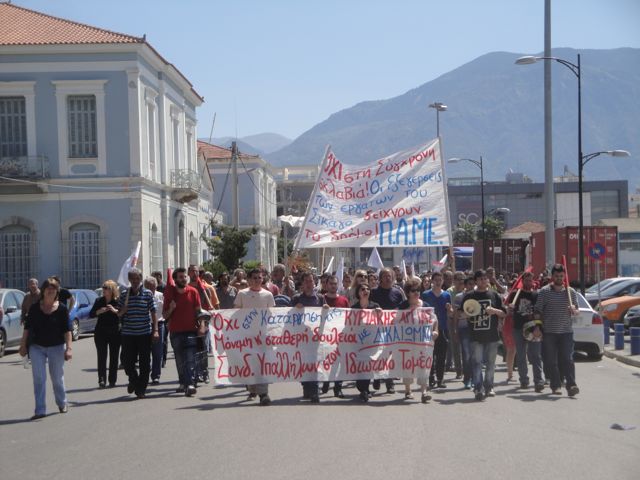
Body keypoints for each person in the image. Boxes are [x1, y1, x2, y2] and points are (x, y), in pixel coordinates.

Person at [18, 277, 72, 420]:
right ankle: (40, 410)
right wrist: (23, 345)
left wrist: (69, 348)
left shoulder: (62, 309)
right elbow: (27, 328)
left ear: (57, 292)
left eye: (53, 288)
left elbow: (67, 330)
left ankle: (62, 403)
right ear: (43, 291)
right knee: (39, 378)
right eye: (48, 288)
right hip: (37, 347)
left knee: (57, 378)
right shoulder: (35, 308)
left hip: (56, 347)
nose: (50, 290)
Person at [534, 263, 580, 397]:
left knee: (567, 359)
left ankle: (571, 385)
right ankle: (556, 385)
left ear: (564, 276)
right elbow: (537, 311)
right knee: (551, 360)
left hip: (566, 332)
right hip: (549, 332)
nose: (559, 278)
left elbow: (577, 311)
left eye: (561, 276)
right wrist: (537, 327)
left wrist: (574, 310)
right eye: (556, 276)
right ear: (552, 276)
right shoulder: (544, 291)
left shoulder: (570, 292)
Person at [461, 270, 506, 401]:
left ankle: (489, 386)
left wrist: (494, 311)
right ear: (476, 281)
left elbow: (504, 313)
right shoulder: (469, 296)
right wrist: (467, 314)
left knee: (491, 363)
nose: (483, 281)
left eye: (485, 278)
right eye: (480, 279)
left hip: (492, 335)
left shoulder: (494, 295)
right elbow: (460, 313)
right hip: (475, 336)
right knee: (477, 363)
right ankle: (478, 388)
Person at [234, 268, 275, 405]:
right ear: (249, 280)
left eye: (259, 277)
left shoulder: (268, 295)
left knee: (262, 364)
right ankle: (252, 388)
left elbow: (272, 314)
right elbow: (236, 313)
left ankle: (263, 394)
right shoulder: (242, 294)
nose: (257, 280)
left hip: (263, 335)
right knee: (250, 364)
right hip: (247, 336)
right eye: (255, 278)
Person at [118, 268, 159, 399]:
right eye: (132, 279)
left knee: (145, 363)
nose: (135, 281)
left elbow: (153, 313)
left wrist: (156, 330)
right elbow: (118, 314)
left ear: (141, 279)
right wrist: (123, 310)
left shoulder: (147, 294)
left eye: (137, 278)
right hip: (128, 334)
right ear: (129, 280)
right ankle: (133, 379)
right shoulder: (124, 294)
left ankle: (141, 389)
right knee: (127, 362)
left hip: (144, 333)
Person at [163, 267, 202, 397]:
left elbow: (199, 312)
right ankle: (183, 382)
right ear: (175, 279)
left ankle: (190, 384)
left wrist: (202, 325)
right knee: (180, 360)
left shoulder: (193, 292)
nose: (184, 279)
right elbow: (164, 315)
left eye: (185, 276)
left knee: (190, 359)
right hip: (176, 332)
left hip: (191, 331)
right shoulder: (170, 294)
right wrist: (171, 308)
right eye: (180, 277)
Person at [400, 277, 437, 403]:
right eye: (413, 290)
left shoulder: (426, 306)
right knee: (407, 365)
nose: (416, 293)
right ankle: (408, 389)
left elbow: (434, 320)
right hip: (407, 342)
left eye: (418, 290)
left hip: (423, 342)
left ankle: (424, 392)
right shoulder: (403, 306)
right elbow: (392, 318)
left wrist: (435, 331)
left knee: (424, 365)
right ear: (408, 293)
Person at [291, 271, 326, 403]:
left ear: (314, 282)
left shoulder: (320, 298)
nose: (308, 284)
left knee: (314, 363)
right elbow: (287, 316)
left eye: (310, 281)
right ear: (302, 284)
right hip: (301, 337)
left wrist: (326, 308)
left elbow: (325, 315)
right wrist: (295, 308)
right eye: (306, 281)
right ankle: (306, 386)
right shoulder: (296, 298)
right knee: (303, 364)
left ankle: (314, 391)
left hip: (315, 337)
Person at [506, 271, 543, 391]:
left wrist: (538, 327)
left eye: (530, 280)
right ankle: (524, 380)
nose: (528, 282)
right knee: (521, 355)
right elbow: (507, 309)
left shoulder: (536, 295)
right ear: (522, 281)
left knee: (536, 355)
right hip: (518, 328)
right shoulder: (515, 294)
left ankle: (538, 381)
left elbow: (539, 312)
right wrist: (509, 309)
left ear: (533, 281)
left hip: (533, 328)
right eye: (526, 280)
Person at [370, 267, 405, 394]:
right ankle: (377, 377)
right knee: (377, 354)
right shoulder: (373, 292)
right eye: (385, 276)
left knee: (390, 356)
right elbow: (368, 306)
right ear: (380, 278)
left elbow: (403, 307)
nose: (388, 278)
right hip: (376, 329)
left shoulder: (397, 292)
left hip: (392, 329)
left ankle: (390, 383)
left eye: (390, 276)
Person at [422, 271, 453, 389]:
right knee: (430, 354)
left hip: (442, 328)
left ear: (443, 281)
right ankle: (430, 377)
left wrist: (449, 309)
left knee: (441, 355)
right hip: (428, 329)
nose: (438, 282)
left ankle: (440, 379)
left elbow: (450, 313)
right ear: (432, 281)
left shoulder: (446, 295)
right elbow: (421, 311)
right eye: (436, 280)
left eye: (440, 280)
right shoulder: (425, 294)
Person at [320, 274, 350, 398]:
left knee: (339, 362)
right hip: (325, 336)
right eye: (331, 284)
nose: (333, 286)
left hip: (340, 337)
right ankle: (326, 382)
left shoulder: (344, 300)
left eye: (335, 284)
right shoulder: (321, 299)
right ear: (326, 285)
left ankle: (338, 388)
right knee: (326, 360)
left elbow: (348, 317)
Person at [188, 264, 218, 384]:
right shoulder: (186, 288)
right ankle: (196, 373)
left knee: (203, 348)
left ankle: (205, 373)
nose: (194, 273)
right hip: (190, 322)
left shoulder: (206, 289)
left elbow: (211, 306)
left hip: (203, 322)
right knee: (193, 350)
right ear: (189, 273)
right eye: (192, 271)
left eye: (196, 271)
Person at [89, 280, 121, 388]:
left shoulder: (118, 301)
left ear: (112, 290)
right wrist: (100, 311)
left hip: (115, 332)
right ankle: (101, 379)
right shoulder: (99, 300)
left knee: (114, 356)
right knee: (102, 356)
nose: (103, 289)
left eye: (106, 288)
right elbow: (91, 314)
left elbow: (122, 314)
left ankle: (112, 380)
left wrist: (114, 310)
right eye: (103, 287)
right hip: (101, 332)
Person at [351, 282, 380, 402]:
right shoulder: (354, 308)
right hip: (358, 342)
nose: (365, 291)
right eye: (362, 289)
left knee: (368, 365)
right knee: (361, 366)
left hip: (372, 341)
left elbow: (381, 322)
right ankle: (362, 388)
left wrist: (380, 313)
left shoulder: (375, 306)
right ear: (358, 293)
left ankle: (366, 389)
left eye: (367, 289)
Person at [452, 276, 476, 389]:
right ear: (465, 285)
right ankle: (467, 379)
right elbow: (456, 314)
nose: (472, 286)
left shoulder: (477, 295)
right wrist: (455, 330)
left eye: (473, 284)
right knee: (466, 355)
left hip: (476, 328)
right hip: (464, 328)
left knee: (475, 355)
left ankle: (475, 378)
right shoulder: (459, 297)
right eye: (469, 284)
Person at [144, 277, 165, 385]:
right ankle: (145, 374)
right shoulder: (142, 296)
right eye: (148, 287)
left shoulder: (160, 295)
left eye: (152, 287)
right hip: (145, 325)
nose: (151, 289)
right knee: (145, 352)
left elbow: (165, 310)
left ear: (156, 286)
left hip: (159, 325)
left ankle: (156, 375)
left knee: (157, 352)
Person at [447, 271, 465, 379]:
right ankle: (459, 371)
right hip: (452, 320)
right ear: (454, 281)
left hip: (465, 320)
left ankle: (466, 369)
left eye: (462, 279)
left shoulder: (467, 291)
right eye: (458, 279)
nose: (460, 282)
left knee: (465, 347)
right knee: (455, 346)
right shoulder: (449, 292)